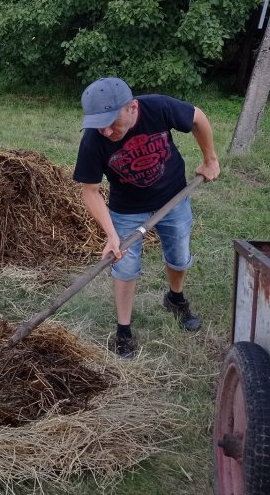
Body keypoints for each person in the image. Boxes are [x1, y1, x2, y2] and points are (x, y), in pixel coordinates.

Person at [72, 77, 220, 358]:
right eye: (99, 124)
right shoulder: (94, 138)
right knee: (125, 268)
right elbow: (89, 191)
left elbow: (198, 117)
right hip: (126, 208)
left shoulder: (158, 108)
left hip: (173, 197)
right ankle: (124, 330)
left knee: (179, 256)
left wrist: (210, 159)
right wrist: (111, 235)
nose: (105, 130)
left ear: (132, 108)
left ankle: (175, 299)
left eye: (112, 122)